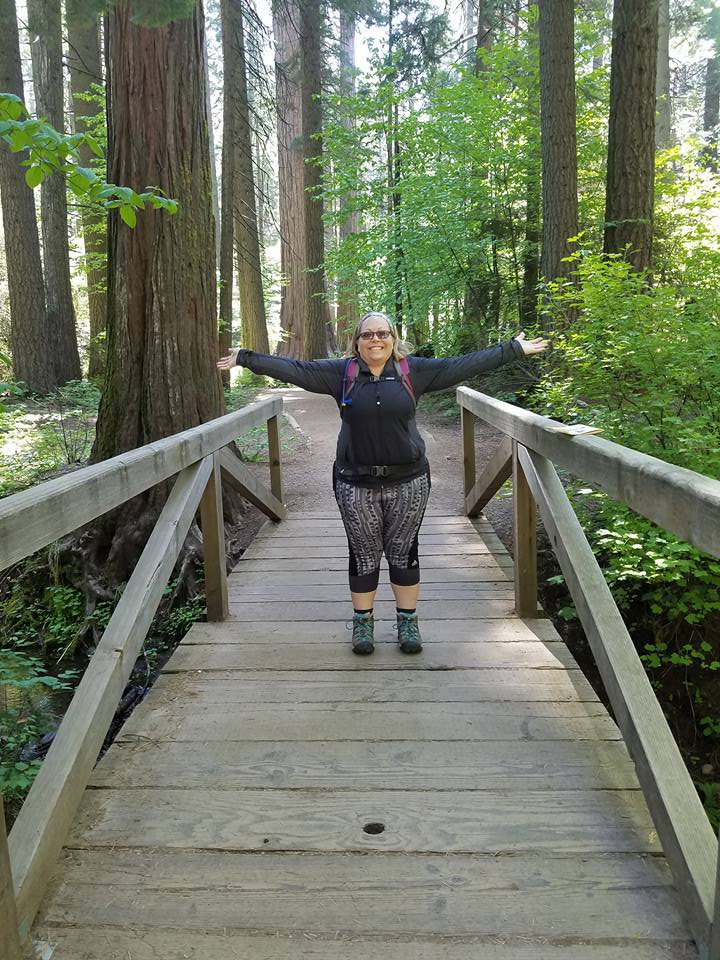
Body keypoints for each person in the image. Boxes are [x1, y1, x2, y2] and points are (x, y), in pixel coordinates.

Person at [217, 314, 549, 656]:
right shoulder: (341, 373)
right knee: (363, 554)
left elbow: (462, 365)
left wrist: (513, 349)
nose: (375, 339)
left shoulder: (413, 371)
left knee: (403, 551)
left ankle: (408, 621)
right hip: (354, 482)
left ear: (393, 338)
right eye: (367, 334)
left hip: (409, 480)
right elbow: (295, 369)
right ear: (357, 341)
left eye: (382, 333)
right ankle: (363, 622)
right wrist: (246, 358)